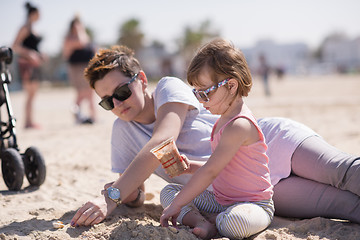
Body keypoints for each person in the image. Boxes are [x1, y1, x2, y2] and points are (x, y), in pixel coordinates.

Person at [71, 44, 360, 228]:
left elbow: (162, 141)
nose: (118, 104)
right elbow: (134, 193)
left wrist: (111, 197)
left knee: (345, 172)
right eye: (107, 101)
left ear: (142, 80)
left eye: (121, 92)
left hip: (269, 141)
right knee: (343, 206)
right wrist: (125, 193)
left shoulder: (168, 89)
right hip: (244, 188)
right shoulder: (122, 133)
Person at [159, 39, 274, 239]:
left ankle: (214, 220)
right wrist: (190, 167)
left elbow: (211, 172)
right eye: (197, 93)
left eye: (205, 93)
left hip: (253, 204)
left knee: (233, 223)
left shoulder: (239, 125)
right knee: (169, 191)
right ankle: (203, 221)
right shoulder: (222, 120)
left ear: (231, 86)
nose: (201, 101)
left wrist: (177, 205)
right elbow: (219, 165)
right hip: (220, 200)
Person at [12, 2, 44, 129]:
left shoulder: (33, 29)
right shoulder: (24, 28)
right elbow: (15, 46)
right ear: (33, 14)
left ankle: (30, 121)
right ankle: (27, 122)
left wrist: (40, 55)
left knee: (33, 94)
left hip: (34, 65)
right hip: (26, 65)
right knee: (29, 93)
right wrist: (30, 53)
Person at [63, 16, 96, 124]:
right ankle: (77, 117)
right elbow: (82, 42)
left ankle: (93, 117)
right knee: (81, 93)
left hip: (87, 66)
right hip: (77, 68)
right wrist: (80, 31)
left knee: (91, 92)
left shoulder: (84, 35)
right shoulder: (70, 39)